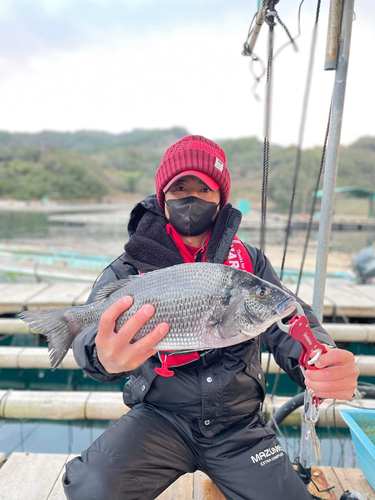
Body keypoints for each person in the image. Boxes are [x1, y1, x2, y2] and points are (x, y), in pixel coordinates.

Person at [63, 135, 359, 500]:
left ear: (221, 200)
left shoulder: (248, 264)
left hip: (238, 427)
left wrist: (320, 359)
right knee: (91, 487)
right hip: (159, 418)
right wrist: (101, 357)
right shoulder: (129, 269)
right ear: (162, 199)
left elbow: (289, 318)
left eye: (204, 188)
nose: (192, 198)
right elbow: (88, 337)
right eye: (180, 187)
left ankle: (227, 479)